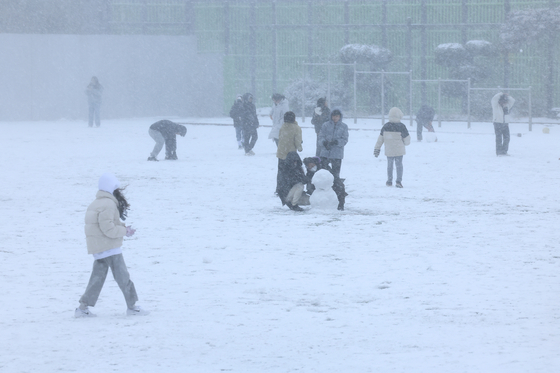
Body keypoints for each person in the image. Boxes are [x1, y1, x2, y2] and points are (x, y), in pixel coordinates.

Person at [75, 173, 149, 318]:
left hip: (99, 247)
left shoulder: (96, 203)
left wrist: (122, 227)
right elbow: (108, 229)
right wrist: (124, 232)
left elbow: (104, 224)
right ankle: (132, 307)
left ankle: (82, 308)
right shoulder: (108, 204)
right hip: (110, 248)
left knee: (97, 279)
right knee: (123, 277)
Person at [374, 107, 411, 188]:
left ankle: (389, 181)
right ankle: (398, 181)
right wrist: (404, 143)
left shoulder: (386, 126)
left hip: (389, 150)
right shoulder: (402, 126)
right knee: (399, 165)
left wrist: (377, 148)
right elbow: (407, 140)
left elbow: (380, 139)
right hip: (399, 150)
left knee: (389, 165)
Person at [317, 109, 349, 179]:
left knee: (335, 174)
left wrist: (336, 142)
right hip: (325, 152)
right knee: (323, 173)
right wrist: (324, 143)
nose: (335, 118)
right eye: (334, 116)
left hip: (337, 154)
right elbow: (320, 137)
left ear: (340, 117)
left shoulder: (344, 127)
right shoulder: (325, 125)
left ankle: (335, 186)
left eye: (337, 116)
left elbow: (345, 139)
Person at [491, 92, 515, 156]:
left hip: (505, 123)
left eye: (505, 101)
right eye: (502, 101)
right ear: (499, 101)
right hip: (497, 123)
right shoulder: (495, 105)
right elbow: (494, 98)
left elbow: (512, 100)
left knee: (507, 138)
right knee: (499, 138)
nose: (504, 103)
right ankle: (499, 152)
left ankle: (504, 151)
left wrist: (507, 96)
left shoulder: (507, 106)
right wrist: (501, 94)